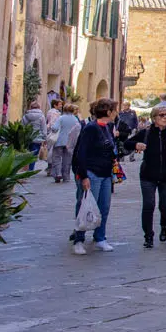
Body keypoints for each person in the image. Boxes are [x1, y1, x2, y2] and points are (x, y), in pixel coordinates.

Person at [126, 103, 166, 248]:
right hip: (148, 174)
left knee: (165, 205)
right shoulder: (146, 133)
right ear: (154, 118)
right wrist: (136, 145)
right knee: (148, 205)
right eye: (162, 115)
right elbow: (128, 143)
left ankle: (164, 227)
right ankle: (148, 235)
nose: (165, 118)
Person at [70, 99, 119, 254]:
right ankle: (79, 239)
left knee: (104, 207)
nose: (116, 113)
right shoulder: (90, 128)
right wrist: (84, 176)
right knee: (85, 206)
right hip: (92, 173)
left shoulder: (109, 127)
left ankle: (100, 237)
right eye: (114, 110)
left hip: (106, 174)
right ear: (109, 112)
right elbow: (81, 153)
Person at [50, 103, 82, 184]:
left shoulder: (61, 118)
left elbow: (55, 128)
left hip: (59, 141)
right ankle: (66, 176)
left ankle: (58, 173)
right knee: (67, 160)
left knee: (56, 157)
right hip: (70, 142)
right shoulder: (75, 119)